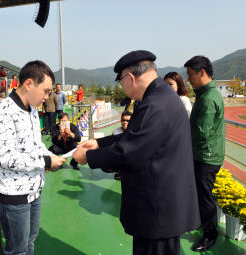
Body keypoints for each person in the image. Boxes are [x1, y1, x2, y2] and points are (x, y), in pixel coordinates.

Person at [73, 50, 200, 255]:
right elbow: (136, 136)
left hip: (157, 208)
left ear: (130, 78)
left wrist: (88, 157)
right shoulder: (161, 96)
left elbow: (129, 153)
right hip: (162, 204)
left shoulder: (155, 104)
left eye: (121, 82)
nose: (122, 88)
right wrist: (99, 144)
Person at [0, 60, 66, 255]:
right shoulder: (3, 113)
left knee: (30, 241)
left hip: (33, 191)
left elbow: (35, 145)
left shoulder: (30, 110)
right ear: (29, 84)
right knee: (17, 249)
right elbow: (3, 157)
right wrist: (46, 162)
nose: (48, 96)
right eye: (46, 91)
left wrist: (51, 156)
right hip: (12, 196)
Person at [184, 56, 225, 252]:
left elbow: (201, 132)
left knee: (205, 198)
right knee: (203, 196)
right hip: (205, 155)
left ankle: (210, 235)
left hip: (205, 157)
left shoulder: (208, 98)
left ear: (202, 73)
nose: (189, 79)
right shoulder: (207, 94)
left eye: (191, 75)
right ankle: (205, 227)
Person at [111, 110, 132, 180]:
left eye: (127, 120)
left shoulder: (135, 132)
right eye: (123, 120)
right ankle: (119, 171)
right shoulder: (115, 132)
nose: (125, 122)